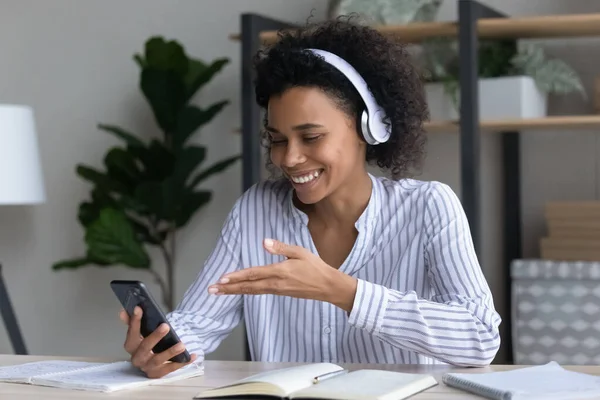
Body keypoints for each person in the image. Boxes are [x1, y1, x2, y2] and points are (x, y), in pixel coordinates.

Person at [119, 17, 501, 379]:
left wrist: (344, 292)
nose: (289, 157)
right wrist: (162, 349)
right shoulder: (256, 211)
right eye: (278, 139)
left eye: (311, 137)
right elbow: (199, 322)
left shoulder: (429, 208)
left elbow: (481, 338)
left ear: (370, 127)